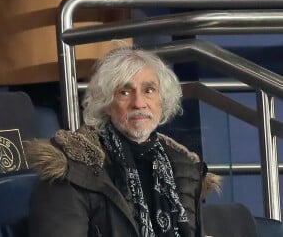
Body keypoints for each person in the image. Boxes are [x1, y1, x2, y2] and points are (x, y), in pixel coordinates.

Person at [26, 46, 220, 237]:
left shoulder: (184, 167)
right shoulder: (71, 167)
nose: (138, 103)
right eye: (124, 92)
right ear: (106, 103)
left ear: (162, 100)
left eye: (149, 90)